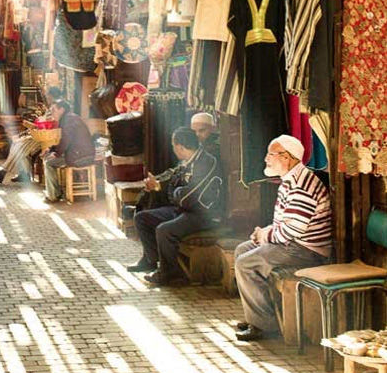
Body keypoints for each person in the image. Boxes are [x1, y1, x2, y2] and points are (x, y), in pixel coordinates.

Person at [234, 134, 332, 342]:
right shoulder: (291, 180)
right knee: (242, 250)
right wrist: (264, 234)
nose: (266, 159)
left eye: (271, 154)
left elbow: (291, 231)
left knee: (245, 263)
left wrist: (264, 235)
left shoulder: (301, 185)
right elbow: (285, 224)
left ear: (287, 158)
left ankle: (264, 326)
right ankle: (259, 317)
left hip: (307, 251)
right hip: (293, 243)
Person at [128, 127, 223, 286]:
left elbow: (188, 195)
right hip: (184, 209)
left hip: (203, 214)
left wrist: (174, 192)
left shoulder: (207, 161)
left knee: (164, 230)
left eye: (173, 146)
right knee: (142, 218)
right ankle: (151, 260)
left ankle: (171, 273)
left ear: (179, 146)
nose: (174, 150)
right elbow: (172, 179)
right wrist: (157, 184)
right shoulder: (186, 162)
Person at [0, 86, 63, 184]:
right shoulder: (52, 106)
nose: (46, 97)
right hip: (42, 134)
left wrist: (35, 126)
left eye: (47, 95)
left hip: (48, 137)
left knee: (21, 145)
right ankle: (22, 173)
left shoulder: (56, 107)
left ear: (52, 96)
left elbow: (51, 124)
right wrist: (33, 125)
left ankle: (4, 172)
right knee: (17, 143)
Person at [42, 99, 95, 202]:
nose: (52, 113)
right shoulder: (69, 118)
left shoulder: (68, 120)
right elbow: (65, 141)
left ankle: (53, 195)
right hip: (81, 153)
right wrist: (51, 149)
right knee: (49, 158)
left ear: (62, 109)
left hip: (79, 156)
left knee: (48, 162)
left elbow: (66, 140)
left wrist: (56, 154)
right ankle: (56, 192)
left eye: (53, 110)